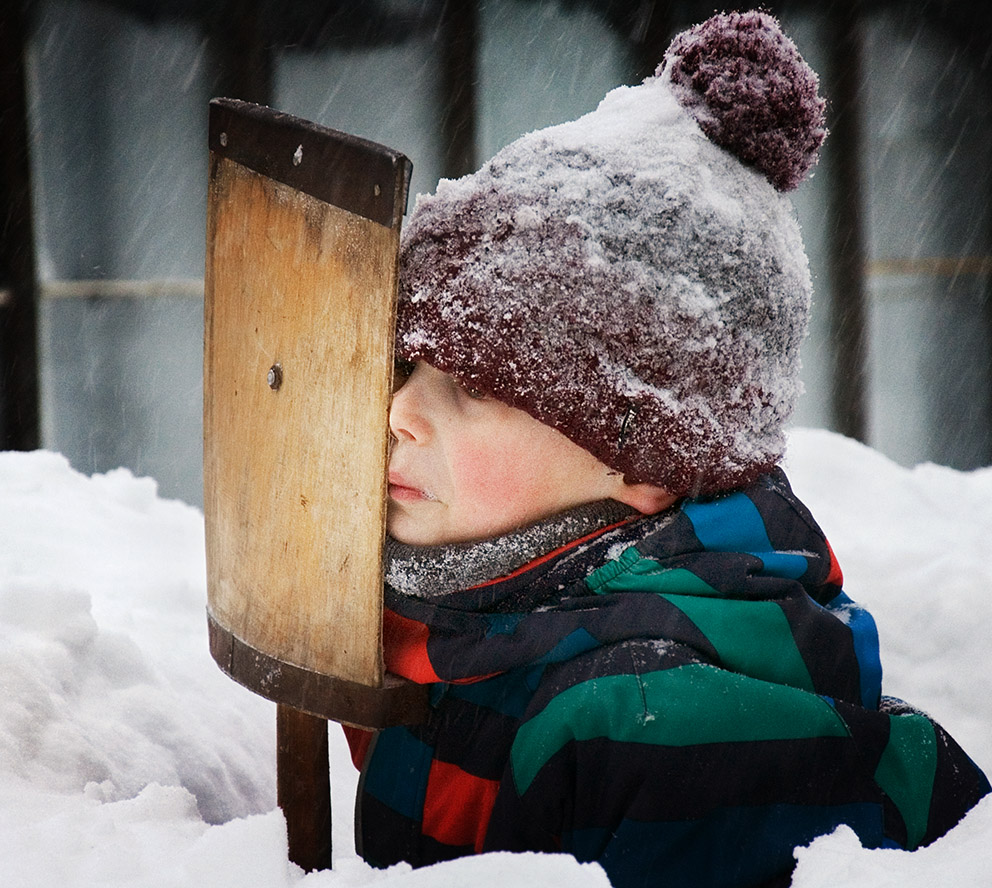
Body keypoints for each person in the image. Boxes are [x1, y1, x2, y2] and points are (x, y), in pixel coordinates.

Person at [344, 11, 990, 888]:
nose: (398, 412)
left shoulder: (666, 733)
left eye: (476, 387)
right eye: (406, 365)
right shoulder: (496, 620)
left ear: (647, 467)